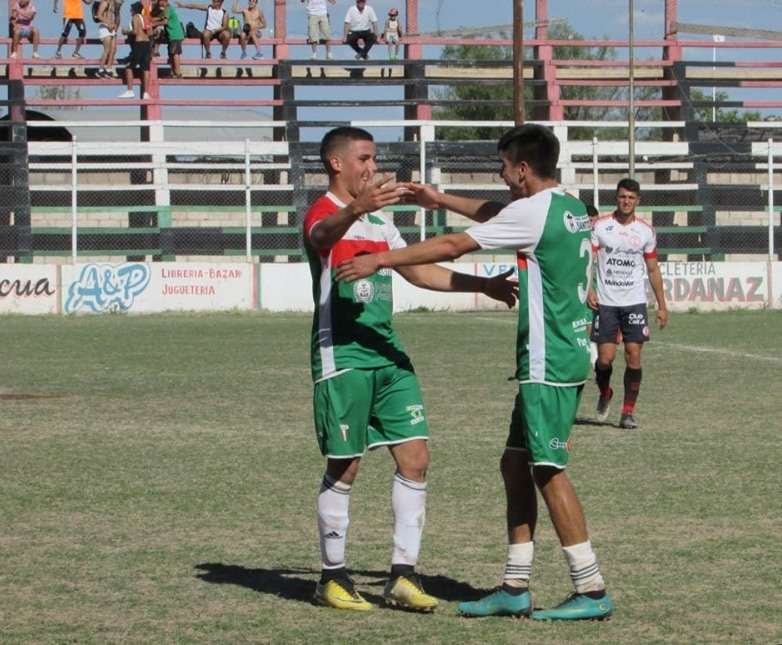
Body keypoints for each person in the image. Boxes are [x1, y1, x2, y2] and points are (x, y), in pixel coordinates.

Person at [336, 124, 615, 621]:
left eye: (504, 167)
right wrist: (438, 197)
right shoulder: (568, 206)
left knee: (548, 471)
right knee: (514, 464)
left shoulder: (531, 212)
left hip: (548, 363)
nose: (502, 177)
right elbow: (502, 216)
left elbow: (451, 247)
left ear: (523, 169)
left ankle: (590, 587)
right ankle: (514, 585)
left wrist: (381, 259)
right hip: (563, 354)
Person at [305, 126, 517, 613]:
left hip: (388, 354)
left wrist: (480, 285)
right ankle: (332, 577)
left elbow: (417, 270)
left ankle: (402, 575)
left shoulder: (380, 223)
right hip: (344, 355)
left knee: (416, 459)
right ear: (337, 164)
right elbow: (320, 235)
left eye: (374, 158)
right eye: (363, 158)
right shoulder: (325, 213)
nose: (372, 168)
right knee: (346, 464)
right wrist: (356, 209)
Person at [588, 178, 668, 429]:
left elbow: (653, 269)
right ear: (617, 197)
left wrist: (662, 305)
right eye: (623, 196)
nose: (626, 201)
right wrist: (589, 288)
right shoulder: (600, 227)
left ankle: (627, 412)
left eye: (631, 198)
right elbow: (586, 261)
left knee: (634, 356)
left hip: (634, 301)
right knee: (604, 359)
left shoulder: (646, 231)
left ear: (638, 200)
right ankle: (605, 392)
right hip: (607, 302)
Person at [118, 1, 151, 98]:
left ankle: (130, 90)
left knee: (129, 66)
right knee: (145, 69)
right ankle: (146, 93)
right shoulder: (145, 17)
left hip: (139, 44)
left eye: (131, 9)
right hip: (147, 44)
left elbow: (136, 31)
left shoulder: (136, 17)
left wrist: (126, 31)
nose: (130, 11)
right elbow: (150, 32)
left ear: (134, 10)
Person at [94, 0, 119, 76]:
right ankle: (100, 69)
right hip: (105, 27)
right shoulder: (104, 2)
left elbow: (116, 16)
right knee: (107, 50)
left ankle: (108, 69)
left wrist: (114, 24)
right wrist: (108, 23)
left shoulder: (113, 4)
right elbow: (99, 15)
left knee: (114, 49)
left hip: (112, 28)